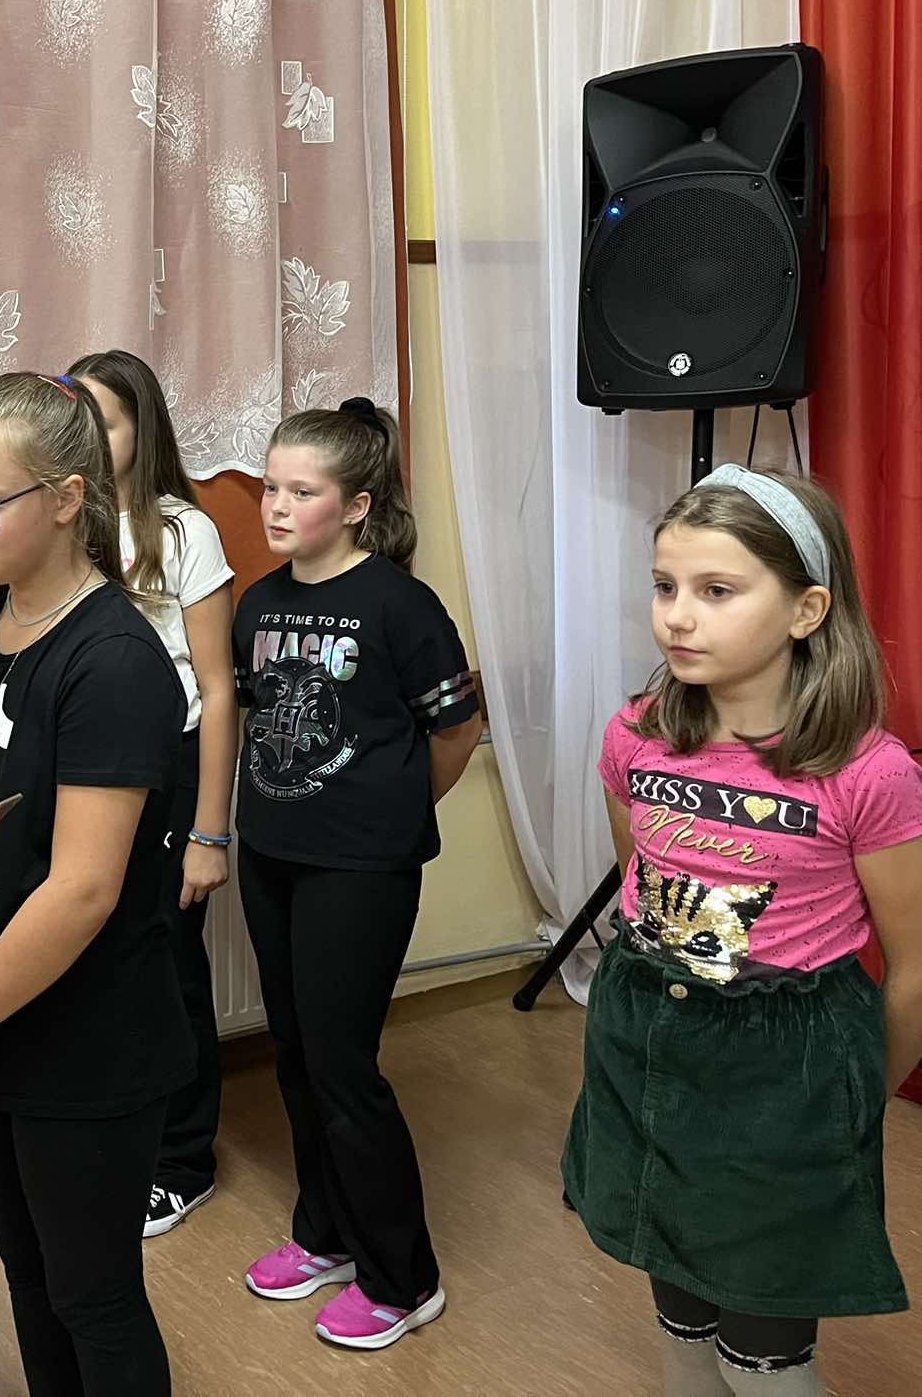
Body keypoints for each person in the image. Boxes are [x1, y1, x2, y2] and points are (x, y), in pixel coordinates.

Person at [565, 466, 922, 1397]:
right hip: (649, 1045)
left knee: (762, 1359)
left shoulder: (869, 773)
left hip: (787, 1075)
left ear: (806, 610)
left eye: (717, 591)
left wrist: (850, 1102)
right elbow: (641, 884)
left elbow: (916, 968)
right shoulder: (635, 735)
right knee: (683, 1326)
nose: (678, 618)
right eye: (665, 586)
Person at [0, 370, 190, 1395]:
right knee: (29, 1274)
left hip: (81, 1039)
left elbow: (82, 891)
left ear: (66, 498)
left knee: (92, 1294)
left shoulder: (114, 662)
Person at [230, 397, 480, 1350]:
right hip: (273, 855)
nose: (278, 506)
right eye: (271, 487)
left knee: (344, 1069)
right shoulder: (259, 604)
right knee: (295, 1055)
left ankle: (403, 1278)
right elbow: (256, 718)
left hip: (362, 868)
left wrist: (396, 810)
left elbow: (455, 730)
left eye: (303, 492)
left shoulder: (401, 606)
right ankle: (326, 1234)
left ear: (358, 505)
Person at [68, 350, 237, 1238]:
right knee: (97, 958)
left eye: (108, 421)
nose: (92, 438)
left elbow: (217, 688)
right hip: (89, 768)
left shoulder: (181, 531)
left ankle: (182, 1159)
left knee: (168, 967)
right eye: (78, 419)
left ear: (144, 429)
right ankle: (119, 1137)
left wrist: (210, 833)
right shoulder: (63, 523)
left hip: (167, 769)